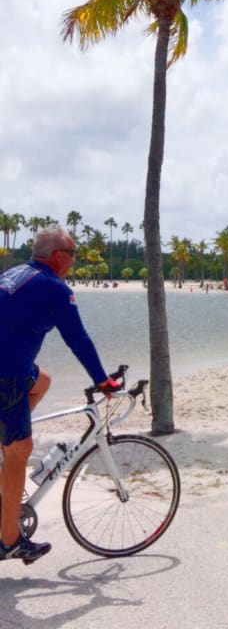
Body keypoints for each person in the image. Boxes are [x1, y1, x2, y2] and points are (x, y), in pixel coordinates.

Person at [0, 224, 117, 564]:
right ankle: (9, 541)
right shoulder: (54, 288)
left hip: (12, 368)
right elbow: (77, 339)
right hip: (6, 372)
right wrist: (103, 382)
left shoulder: (17, 273)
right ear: (56, 257)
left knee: (44, 381)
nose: (74, 261)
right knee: (20, 450)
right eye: (73, 254)